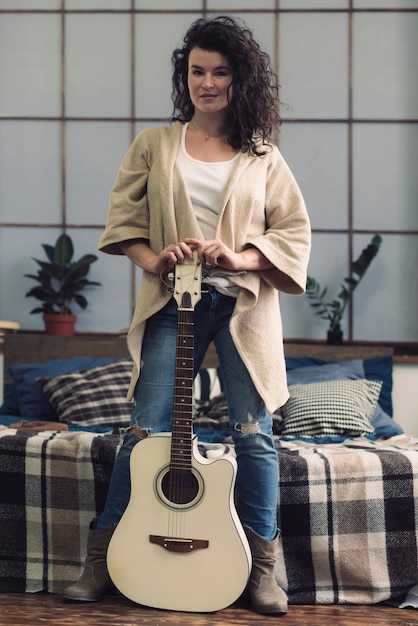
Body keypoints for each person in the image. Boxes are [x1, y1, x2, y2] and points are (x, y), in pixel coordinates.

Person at [63, 15, 311, 615]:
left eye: (220, 72)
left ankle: (262, 570)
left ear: (239, 79)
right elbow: (125, 229)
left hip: (243, 305)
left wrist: (239, 255)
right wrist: (160, 258)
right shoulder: (154, 144)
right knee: (144, 433)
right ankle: (102, 561)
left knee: (254, 435)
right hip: (175, 300)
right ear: (186, 78)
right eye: (197, 71)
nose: (207, 83)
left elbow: (293, 233)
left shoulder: (262, 155)